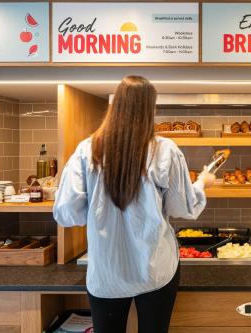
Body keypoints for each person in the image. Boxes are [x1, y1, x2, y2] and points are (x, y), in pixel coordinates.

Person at [53, 75, 215, 333]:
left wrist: (98, 211)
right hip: (155, 269)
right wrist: (203, 183)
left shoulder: (87, 149)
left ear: (115, 105)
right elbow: (183, 207)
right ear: (150, 109)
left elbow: (66, 212)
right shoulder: (164, 150)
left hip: (106, 271)